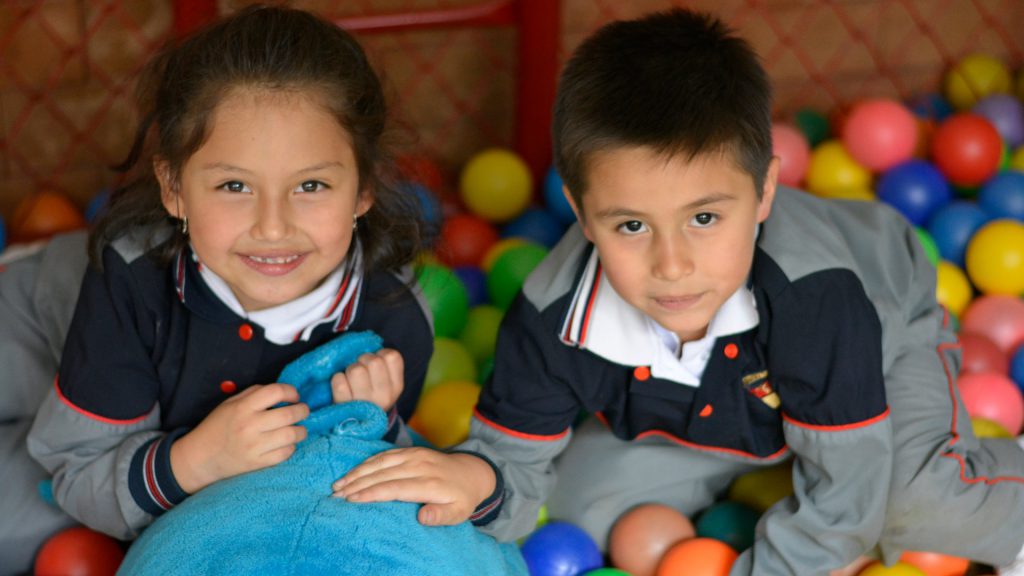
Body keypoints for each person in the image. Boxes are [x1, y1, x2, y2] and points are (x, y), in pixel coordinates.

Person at [334, 8, 1024, 575]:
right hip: (721, 408)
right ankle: (772, 463)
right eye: (631, 225)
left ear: (765, 191)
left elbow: (847, 497)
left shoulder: (816, 301)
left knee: (910, 500)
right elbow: (510, 469)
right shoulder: (551, 318)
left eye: (704, 218)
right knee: (581, 508)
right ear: (580, 211)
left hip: (880, 317)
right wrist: (474, 479)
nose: (672, 265)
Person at [25, 5, 433, 545]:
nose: (273, 227)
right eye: (234, 186)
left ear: (363, 190)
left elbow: (367, 504)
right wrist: (195, 461)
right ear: (173, 189)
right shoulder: (130, 282)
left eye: (311, 186)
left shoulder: (394, 318)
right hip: (35, 313)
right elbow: (77, 468)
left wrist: (378, 425)